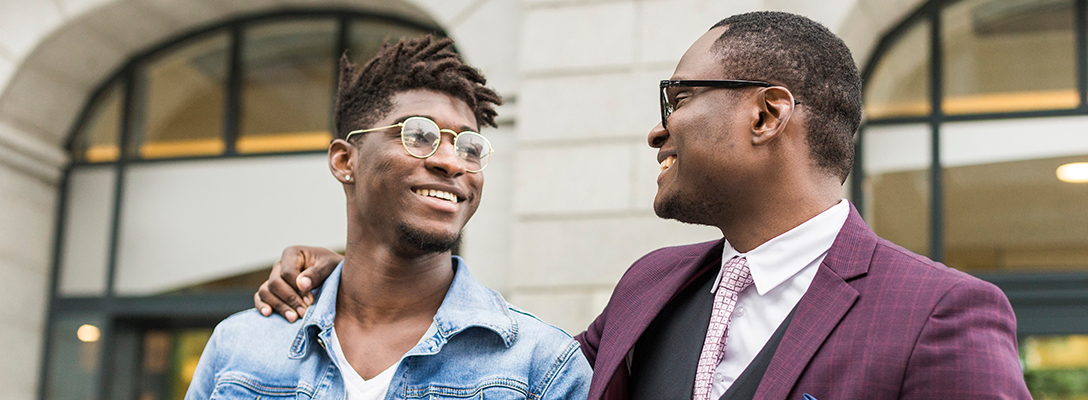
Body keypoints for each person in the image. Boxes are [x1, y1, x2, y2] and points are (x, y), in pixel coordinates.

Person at [254, 12, 1031, 400]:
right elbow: (506, 361)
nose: (659, 126)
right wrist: (365, 272)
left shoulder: (941, 314)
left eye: (681, 97)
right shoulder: (651, 286)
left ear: (766, 116)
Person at [186, 35, 590, 400]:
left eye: (469, 147)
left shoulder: (540, 366)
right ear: (346, 160)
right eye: (418, 135)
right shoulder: (239, 350)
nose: (452, 162)